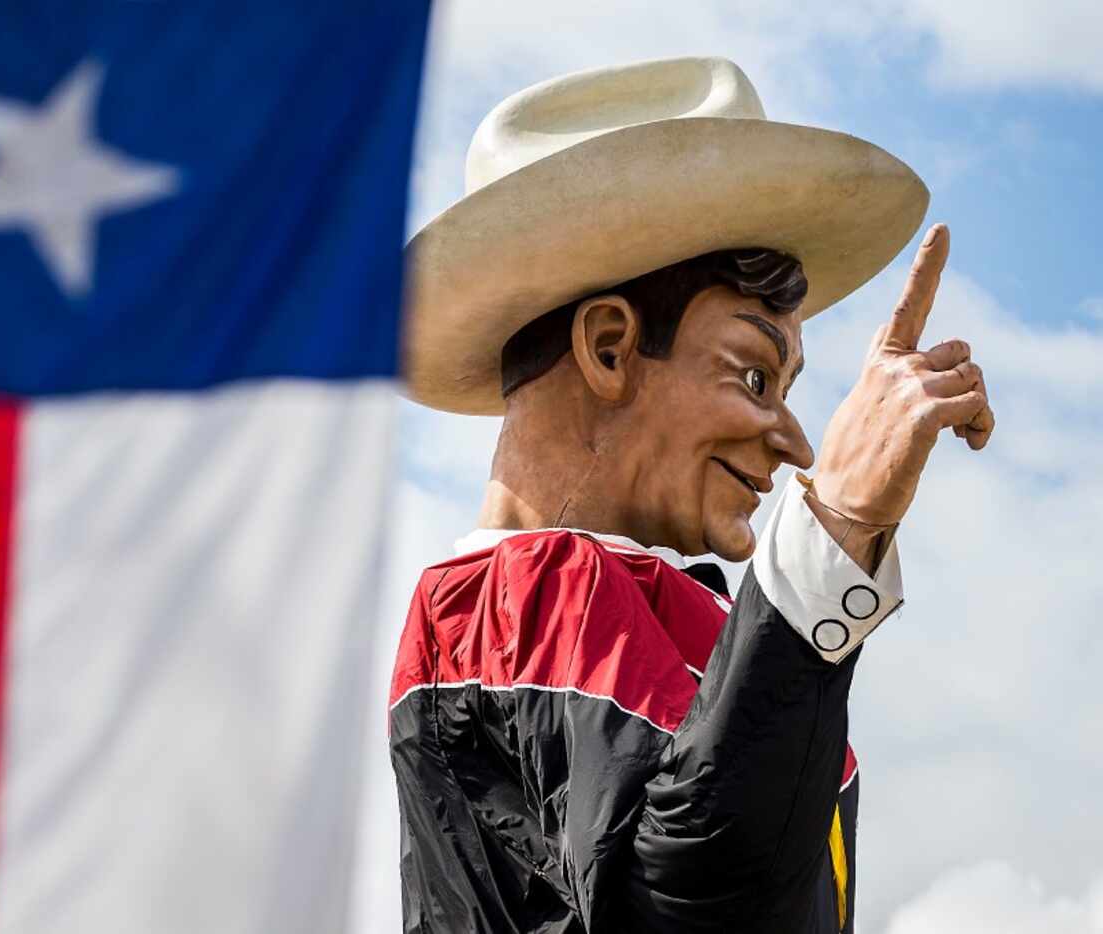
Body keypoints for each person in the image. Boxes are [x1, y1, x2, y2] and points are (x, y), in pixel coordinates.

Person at [388, 58, 994, 933]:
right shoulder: (518, 599)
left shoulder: (630, 608)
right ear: (607, 347)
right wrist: (832, 532)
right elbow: (693, 902)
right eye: (754, 375)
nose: (795, 442)